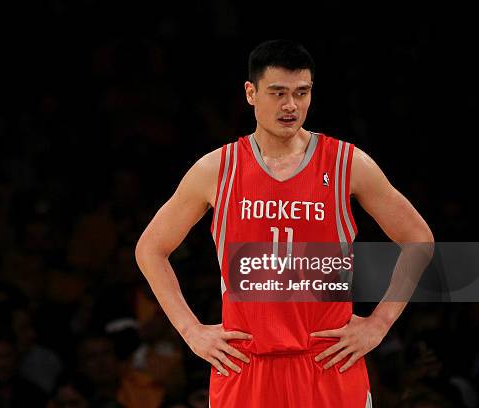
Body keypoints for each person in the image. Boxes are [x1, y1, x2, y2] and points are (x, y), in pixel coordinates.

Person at [134, 39, 434, 407]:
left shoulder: (347, 164)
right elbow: (150, 249)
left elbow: (419, 238)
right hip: (244, 365)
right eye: (277, 93)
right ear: (251, 93)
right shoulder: (216, 170)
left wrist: (380, 323)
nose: (291, 105)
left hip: (328, 363)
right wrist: (190, 330)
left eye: (301, 92)